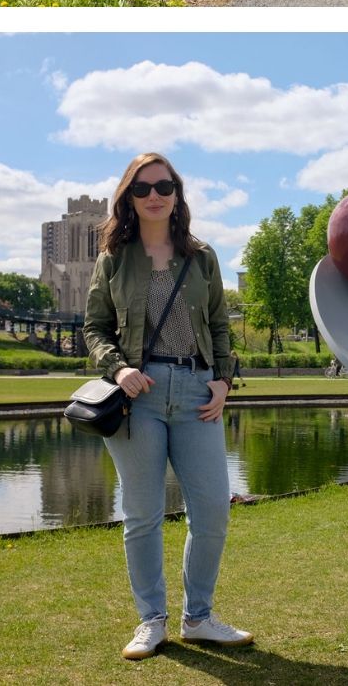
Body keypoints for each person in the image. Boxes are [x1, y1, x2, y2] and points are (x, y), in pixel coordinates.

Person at [82, 152, 253, 660]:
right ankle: (150, 620)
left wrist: (223, 381)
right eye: (142, 188)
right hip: (140, 398)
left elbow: (220, 325)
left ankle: (198, 617)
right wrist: (118, 368)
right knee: (142, 515)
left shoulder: (202, 257)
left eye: (164, 185)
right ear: (128, 199)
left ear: (177, 194)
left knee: (212, 513)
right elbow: (94, 329)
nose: (154, 195)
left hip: (198, 393)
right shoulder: (114, 257)